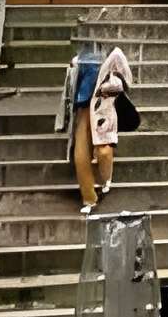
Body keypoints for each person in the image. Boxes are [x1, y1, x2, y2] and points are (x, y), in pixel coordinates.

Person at [57, 38, 135, 215]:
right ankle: (92, 194)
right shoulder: (80, 61)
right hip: (87, 106)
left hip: (99, 107)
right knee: (85, 152)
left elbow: (126, 81)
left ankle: (101, 183)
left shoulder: (110, 55)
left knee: (100, 150)